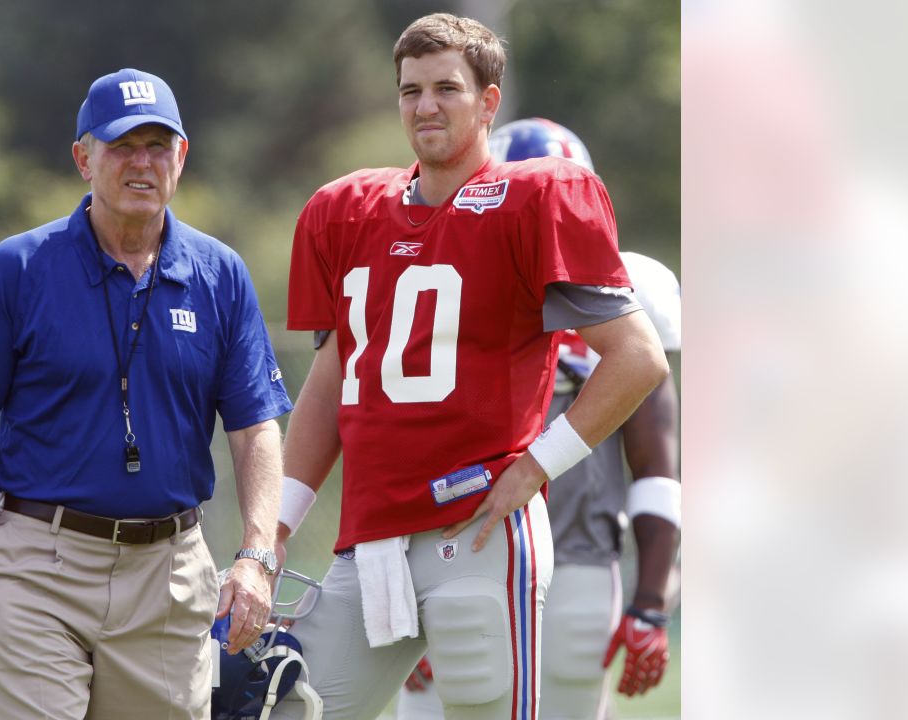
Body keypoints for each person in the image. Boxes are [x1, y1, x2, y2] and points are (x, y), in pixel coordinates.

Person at [271, 15, 669, 720]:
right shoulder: (346, 212)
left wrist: (535, 465)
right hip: (370, 542)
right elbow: (333, 382)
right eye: (411, 90)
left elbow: (636, 359)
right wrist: (271, 531)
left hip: (477, 533)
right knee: (280, 707)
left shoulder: (534, 198)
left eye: (447, 88)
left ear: (488, 101)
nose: (426, 106)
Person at [0, 67, 293, 720]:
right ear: (84, 158)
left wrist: (254, 556)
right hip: (38, 565)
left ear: (181, 157)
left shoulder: (220, 276)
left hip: (169, 573)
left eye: (158, 146)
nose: (142, 163)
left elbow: (255, 429)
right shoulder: (18, 268)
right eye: (122, 146)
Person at [398, 119, 682, 720]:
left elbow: (656, 466)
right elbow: (389, 440)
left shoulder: (630, 296)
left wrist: (652, 600)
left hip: (577, 558)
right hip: (458, 552)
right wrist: (404, 580)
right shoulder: (434, 281)